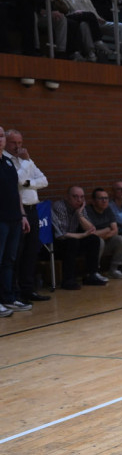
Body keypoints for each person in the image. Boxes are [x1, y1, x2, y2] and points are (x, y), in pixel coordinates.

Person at [4, 129, 50, 303]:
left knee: (31, 252)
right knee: (17, 253)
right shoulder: (8, 161)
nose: (18, 147)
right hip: (18, 211)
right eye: (14, 143)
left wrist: (27, 183)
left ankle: (28, 290)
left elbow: (44, 180)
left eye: (20, 143)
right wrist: (26, 163)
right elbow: (15, 181)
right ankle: (13, 291)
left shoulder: (26, 160)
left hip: (33, 210)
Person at [50, 185, 106, 289]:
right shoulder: (59, 206)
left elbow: (91, 229)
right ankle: (68, 280)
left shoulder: (80, 208)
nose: (79, 200)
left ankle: (91, 275)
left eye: (82, 197)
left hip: (72, 239)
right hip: (57, 242)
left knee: (93, 240)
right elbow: (62, 234)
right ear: (67, 197)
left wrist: (79, 214)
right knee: (72, 242)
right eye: (75, 197)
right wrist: (82, 235)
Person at [0, 126, 31, 316]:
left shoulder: (9, 163)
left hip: (14, 219)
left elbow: (16, 192)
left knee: (9, 260)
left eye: (1, 135)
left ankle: (8, 298)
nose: (0, 139)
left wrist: (23, 215)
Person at [82, 187, 122, 279]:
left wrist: (103, 233)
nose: (104, 201)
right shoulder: (87, 211)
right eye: (101, 198)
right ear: (93, 201)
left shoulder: (108, 209)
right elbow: (91, 233)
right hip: (89, 245)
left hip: (105, 241)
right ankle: (94, 271)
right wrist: (107, 230)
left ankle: (114, 270)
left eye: (106, 198)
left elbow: (115, 230)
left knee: (120, 240)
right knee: (98, 241)